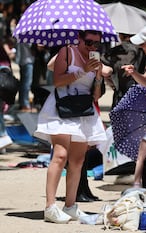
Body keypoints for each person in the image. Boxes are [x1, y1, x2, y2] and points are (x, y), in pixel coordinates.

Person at [34, 30, 107, 224]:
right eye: (89, 42)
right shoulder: (66, 52)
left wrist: (98, 76)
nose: (92, 47)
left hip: (83, 110)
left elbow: (96, 96)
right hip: (62, 108)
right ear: (79, 39)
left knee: (78, 161)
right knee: (60, 155)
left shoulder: (95, 60)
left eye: (96, 44)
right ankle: (50, 207)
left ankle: (70, 206)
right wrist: (83, 69)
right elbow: (57, 81)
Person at [110, 24, 146, 190]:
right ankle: (137, 185)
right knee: (145, 146)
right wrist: (134, 73)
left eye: (143, 45)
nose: (140, 48)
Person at [101, 33, 146, 109]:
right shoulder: (142, 50)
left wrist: (110, 80)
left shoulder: (115, 50)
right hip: (138, 90)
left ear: (120, 36)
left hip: (119, 91)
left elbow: (103, 63)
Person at [15, 42, 35, 112]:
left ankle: (22, 103)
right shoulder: (28, 37)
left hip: (22, 61)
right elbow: (32, 48)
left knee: (23, 83)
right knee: (26, 84)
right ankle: (25, 104)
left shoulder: (20, 35)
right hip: (27, 61)